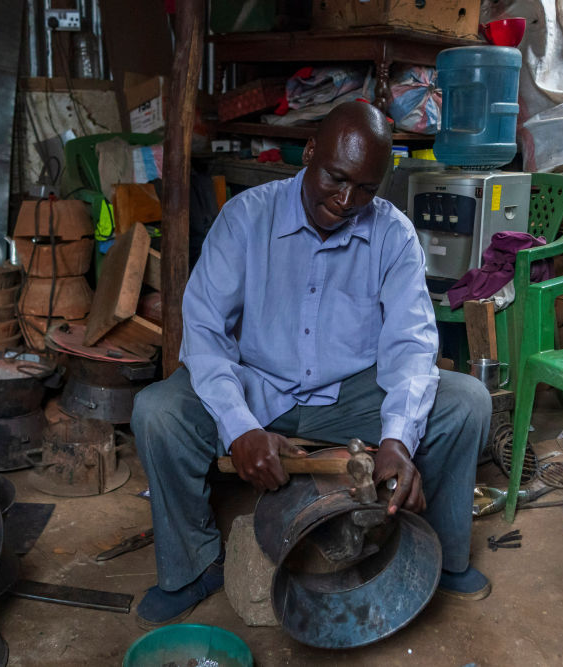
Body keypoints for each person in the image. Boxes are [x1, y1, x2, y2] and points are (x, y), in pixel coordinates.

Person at [131, 101, 492, 629]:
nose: (347, 201)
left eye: (366, 189)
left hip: (350, 397)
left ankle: (439, 558)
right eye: (336, 178)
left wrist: (396, 440)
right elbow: (204, 335)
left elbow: (411, 347)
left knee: (467, 402)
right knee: (156, 411)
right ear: (310, 153)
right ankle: (195, 567)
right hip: (257, 387)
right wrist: (239, 427)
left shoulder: (393, 235)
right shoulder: (245, 219)